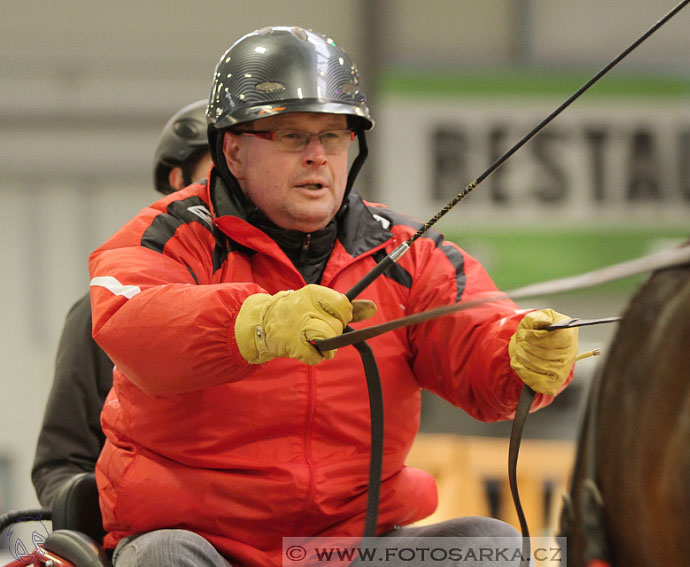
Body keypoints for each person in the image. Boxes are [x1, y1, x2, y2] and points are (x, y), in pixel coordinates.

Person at [88, 26, 579, 567]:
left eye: (335, 135)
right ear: (233, 149)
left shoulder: (406, 251)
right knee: (162, 558)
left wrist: (519, 354)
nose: (318, 156)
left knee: (491, 546)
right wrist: (256, 323)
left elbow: (475, 335)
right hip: (203, 540)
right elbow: (132, 319)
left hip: (349, 547)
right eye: (292, 136)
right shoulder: (173, 232)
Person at [31, 99, 212, 509]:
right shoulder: (106, 311)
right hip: (166, 522)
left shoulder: (292, 305)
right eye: (218, 173)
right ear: (177, 179)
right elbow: (63, 460)